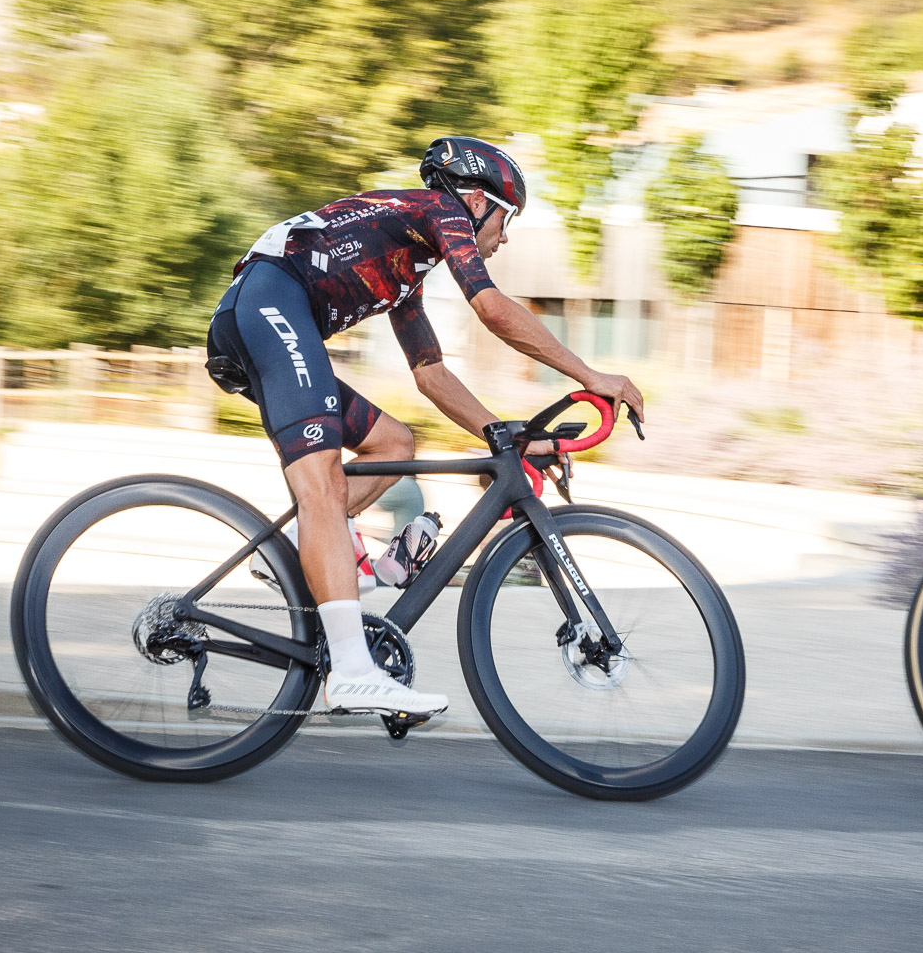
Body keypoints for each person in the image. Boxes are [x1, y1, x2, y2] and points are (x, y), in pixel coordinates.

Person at [205, 136, 645, 719]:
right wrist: (592, 374)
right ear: (476, 201)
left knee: (394, 443)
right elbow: (490, 309)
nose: (505, 237)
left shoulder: (407, 261)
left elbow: (431, 376)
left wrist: (505, 435)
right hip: (268, 308)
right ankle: (354, 673)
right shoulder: (439, 212)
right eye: (506, 219)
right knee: (323, 487)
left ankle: (294, 552)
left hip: (268, 316)